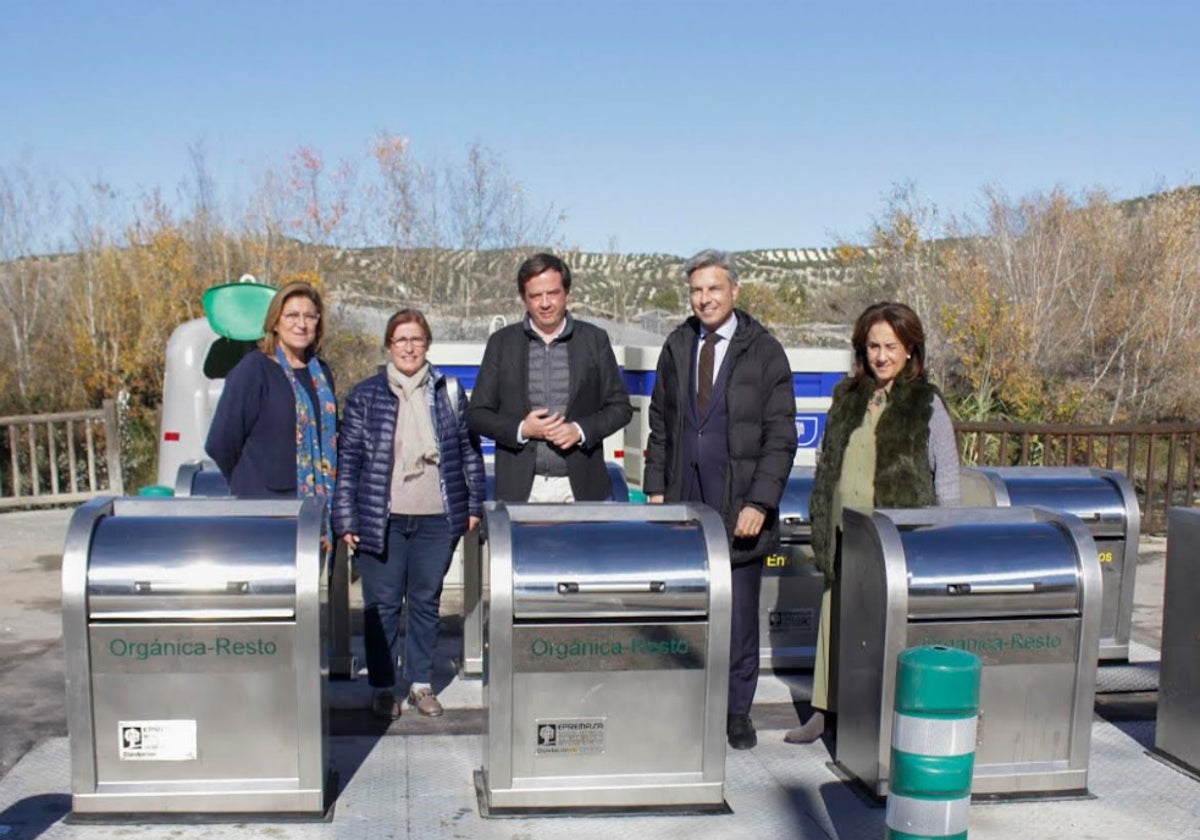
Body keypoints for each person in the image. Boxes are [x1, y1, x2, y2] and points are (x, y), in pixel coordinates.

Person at [785, 300, 960, 744]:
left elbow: (948, 474)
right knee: (835, 620)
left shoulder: (927, 403)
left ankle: (879, 714)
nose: (881, 356)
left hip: (895, 540)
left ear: (910, 350)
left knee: (883, 627)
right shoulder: (847, 398)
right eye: (873, 346)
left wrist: (942, 537)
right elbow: (828, 461)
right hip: (844, 532)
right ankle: (825, 711)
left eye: (891, 346)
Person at [643, 249, 798, 750]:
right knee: (688, 609)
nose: (704, 299)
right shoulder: (677, 344)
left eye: (714, 289)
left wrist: (760, 502)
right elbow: (661, 422)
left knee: (738, 617)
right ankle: (687, 702)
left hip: (740, 508)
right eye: (696, 290)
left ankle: (736, 711)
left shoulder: (765, 351)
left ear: (734, 291)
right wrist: (655, 488)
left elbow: (781, 437)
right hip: (684, 504)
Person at [333, 309, 485, 720]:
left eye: (416, 339)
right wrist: (345, 517)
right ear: (388, 345)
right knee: (381, 605)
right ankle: (383, 687)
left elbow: (469, 453)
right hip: (381, 518)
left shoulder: (448, 392)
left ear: (427, 344)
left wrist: (472, 505)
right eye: (400, 339)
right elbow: (348, 461)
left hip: (436, 519)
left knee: (424, 603)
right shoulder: (366, 395)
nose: (408, 347)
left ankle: (420, 684)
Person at [466, 252, 632, 502]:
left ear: (567, 294)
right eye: (535, 295)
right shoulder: (502, 343)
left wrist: (579, 430)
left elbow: (620, 408)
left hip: (581, 490)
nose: (545, 303)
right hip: (521, 491)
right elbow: (477, 414)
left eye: (552, 293)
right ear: (524, 298)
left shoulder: (594, 340)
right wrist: (523, 429)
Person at [206, 281, 337, 503]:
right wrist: (250, 482)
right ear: (275, 322)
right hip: (266, 506)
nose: (302, 324)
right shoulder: (254, 370)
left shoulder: (321, 373)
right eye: (292, 316)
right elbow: (220, 442)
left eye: (310, 316)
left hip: (317, 507)